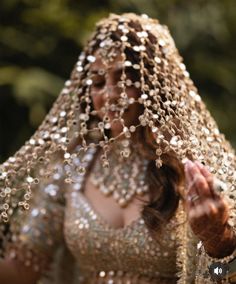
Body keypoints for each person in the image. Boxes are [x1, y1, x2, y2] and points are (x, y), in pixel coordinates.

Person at [0, 12, 235, 284]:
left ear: (153, 84)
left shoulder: (196, 173)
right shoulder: (72, 169)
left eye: (123, 80)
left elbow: (224, 276)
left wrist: (219, 242)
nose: (110, 95)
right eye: (98, 83)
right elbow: (22, 270)